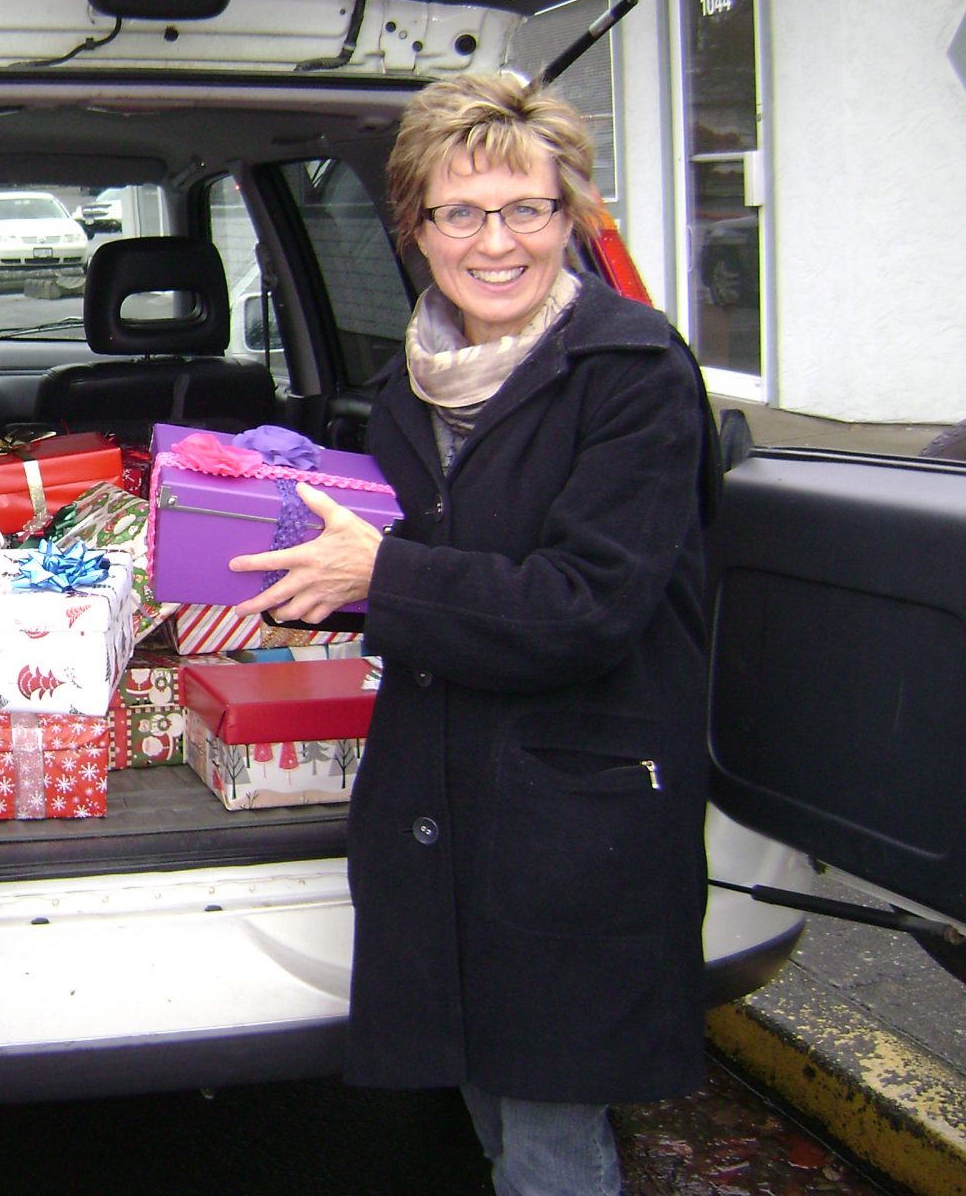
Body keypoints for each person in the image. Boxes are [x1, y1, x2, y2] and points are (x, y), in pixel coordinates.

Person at [229, 71, 717, 1196]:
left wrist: (381, 575)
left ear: (571, 219)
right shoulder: (413, 385)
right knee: (492, 1113)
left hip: (574, 815)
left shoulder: (632, 371)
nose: (495, 242)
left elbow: (586, 603)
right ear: (415, 229)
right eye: (460, 212)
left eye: (527, 210)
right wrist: (282, 564)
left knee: (550, 1140)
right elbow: (429, 569)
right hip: (442, 802)